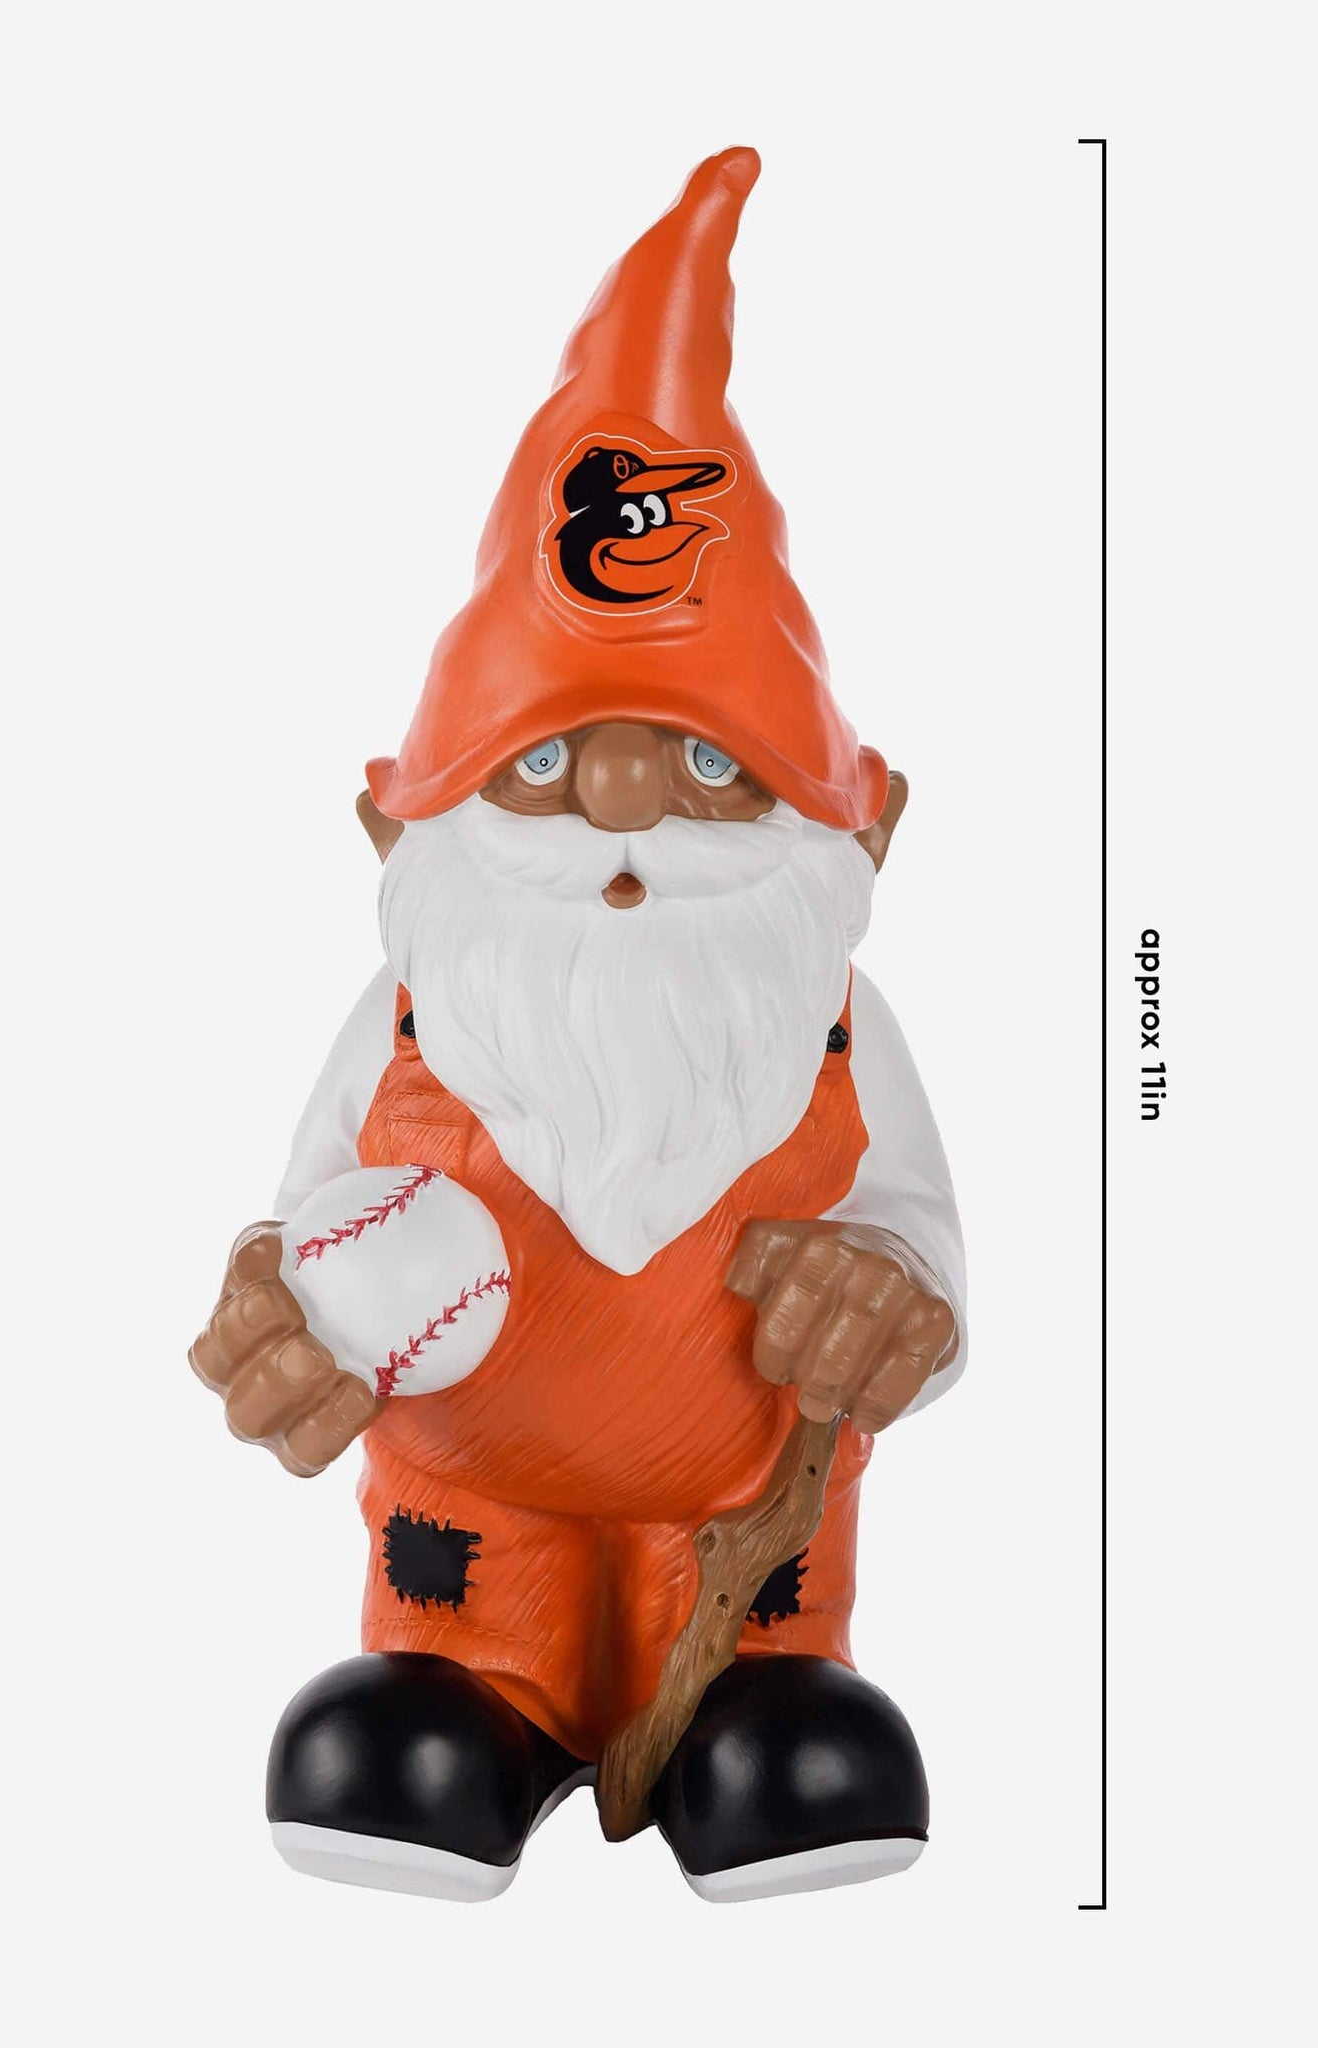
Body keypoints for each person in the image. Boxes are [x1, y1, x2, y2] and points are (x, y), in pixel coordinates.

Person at [190, 148, 967, 1905]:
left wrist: (898, 1297)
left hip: (745, 1540)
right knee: (405, 1729)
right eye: (543, 761)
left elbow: (917, 1237)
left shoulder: (834, 1026)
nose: (624, 803)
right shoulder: (411, 1013)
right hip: (470, 1531)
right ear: (396, 828)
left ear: (866, 831)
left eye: (708, 763)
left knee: (791, 1738)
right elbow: (307, 1214)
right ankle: (462, 1700)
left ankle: (759, 1722)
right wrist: (278, 1306)